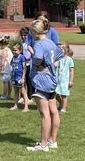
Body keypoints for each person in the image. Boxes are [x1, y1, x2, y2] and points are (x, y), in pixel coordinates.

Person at [26, 19, 64, 152]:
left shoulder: (39, 44)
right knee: (54, 111)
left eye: (31, 31)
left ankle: (43, 144)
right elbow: (60, 54)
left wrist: (39, 65)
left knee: (44, 113)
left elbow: (37, 58)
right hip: (52, 80)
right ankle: (52, 140)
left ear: (35, 32)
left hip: (42, 80)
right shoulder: (50, 42)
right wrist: (49, 66)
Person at [9, 43, 29, 112]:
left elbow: (24, 67)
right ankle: (15, 105)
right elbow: (11, 65)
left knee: (23, 92)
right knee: (16, 91)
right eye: (13, 50)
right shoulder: (13, 58)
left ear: (20, 50)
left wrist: (23, 77)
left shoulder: (22, 57)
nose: (13, 51)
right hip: (14, 76)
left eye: (15, 50)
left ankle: (26, 107)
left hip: (20, 77)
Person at [56, 43, 74, 114]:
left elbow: (71, 70)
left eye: (61, 49)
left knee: (64, 94)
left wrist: (71, 80)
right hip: (57, 79)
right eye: (59, 49)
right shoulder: (57, 58)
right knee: (55, 93)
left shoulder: (69, 60)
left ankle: (63, 108)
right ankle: (61, 104)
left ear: (66, 50)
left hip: (65, 80)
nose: (60, 50)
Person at [18, 27, 33, 104]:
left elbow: (31, 53)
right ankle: (22, 96)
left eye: (25, 35)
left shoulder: (29, 43)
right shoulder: (21, 43)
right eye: (22, 35)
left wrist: (25, 57)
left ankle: (30, 97)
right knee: (21, 80)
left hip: (28, 64)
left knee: (28, 80)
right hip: (21, 64)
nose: (23, 36)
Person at [0, 36, 13, 100]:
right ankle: (9, 95)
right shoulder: (8, 49)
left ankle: (4, 95)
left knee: (5, 82)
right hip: (9, 68)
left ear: (1, 44)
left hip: (5, 68)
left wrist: (2, 69)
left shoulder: (4, 51)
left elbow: (3, 61)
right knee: (9, 82)